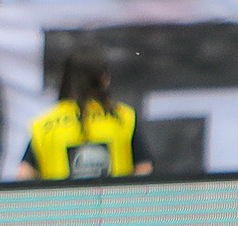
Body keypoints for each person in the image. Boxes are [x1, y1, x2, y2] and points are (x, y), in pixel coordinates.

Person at [16, 50, 148, 180]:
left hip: (62, 202)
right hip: (116, 201)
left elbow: (24, 175)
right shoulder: (124, 118)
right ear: (104, 79)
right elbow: (144, 169)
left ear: (66, 79)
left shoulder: (43, 125)